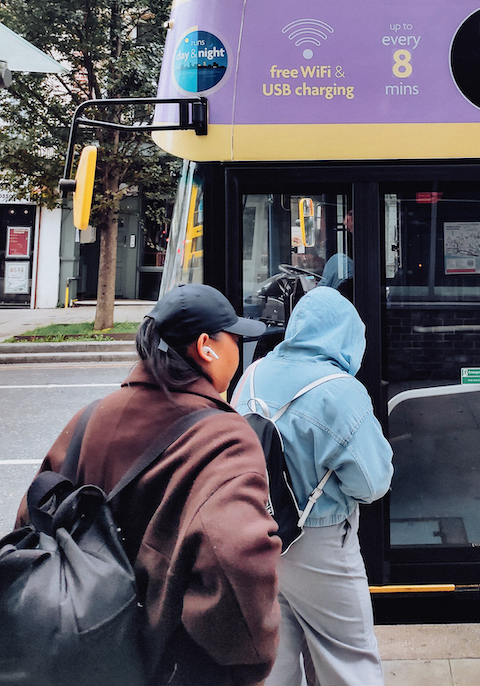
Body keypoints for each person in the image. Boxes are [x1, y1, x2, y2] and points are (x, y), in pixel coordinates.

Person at [16, 283, 281, 686]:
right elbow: (237, 558)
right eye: (235, 339)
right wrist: (246, 664)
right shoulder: (226, 438)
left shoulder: (89, 418)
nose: (240, 350)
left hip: (77, 656)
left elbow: (31, 520)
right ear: (206, 347)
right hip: (171, 667)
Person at [234, 287, 393, 686]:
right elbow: (373, 483)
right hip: (319, 541)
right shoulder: (340, 391)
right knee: (347, 656)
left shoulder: (254, 374)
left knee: (275, 658)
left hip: (257, 534)